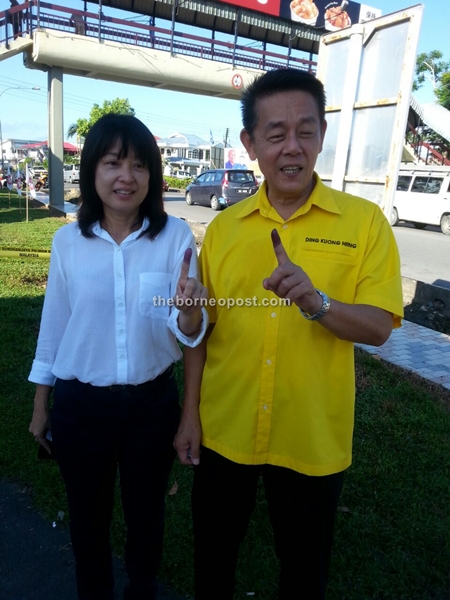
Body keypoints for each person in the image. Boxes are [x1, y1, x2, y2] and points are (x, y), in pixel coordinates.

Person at [174, 68, 403, 599]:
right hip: (225, 429)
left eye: (305, 131)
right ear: (251, 144)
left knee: (303, 575)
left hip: (311, 436)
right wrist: (190, 414)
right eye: (275, 134)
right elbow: (201, 332)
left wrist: (315, 302)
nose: (292, 148)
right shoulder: (225, 230)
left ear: (323, 134)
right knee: (212, 564)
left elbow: (378, 328)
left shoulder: (364, 223)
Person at [28, 113, 208, 600]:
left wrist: (191, 311)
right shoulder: (68, 242)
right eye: (112, 163)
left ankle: (142, 588)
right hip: (81, 406)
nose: (125, 176)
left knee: (146, 515)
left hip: (151, 405)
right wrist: (42, 405)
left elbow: (189, 332)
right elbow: (55, 325)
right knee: (88, 519)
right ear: (92, 171)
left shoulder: (175, 239)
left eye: (137, 165)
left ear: (152, 175)